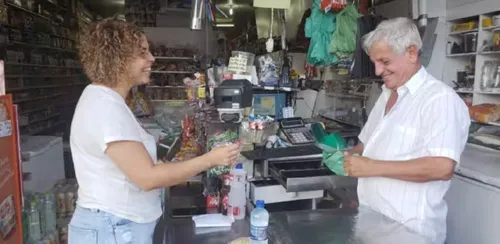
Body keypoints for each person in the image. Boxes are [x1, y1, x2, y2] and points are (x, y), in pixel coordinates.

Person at [68, 18, 240, 244]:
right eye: (143, 53)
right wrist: (210, 159)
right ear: (118, 59)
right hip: (114, 229)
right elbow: (147, 178)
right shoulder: (105, 106)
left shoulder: (106, 100)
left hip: (117, 226)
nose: (152, 59)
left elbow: (135, 168)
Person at [344, 17, 470, 243]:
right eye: (374, 62)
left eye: (384, 61)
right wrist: (350, 154)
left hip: (409, 232)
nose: (377, 70)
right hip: (373, 222)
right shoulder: (386, 95)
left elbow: (441, 167)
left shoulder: (439, 100)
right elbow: (368, 143)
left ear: (411, 53)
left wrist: (370, 167)